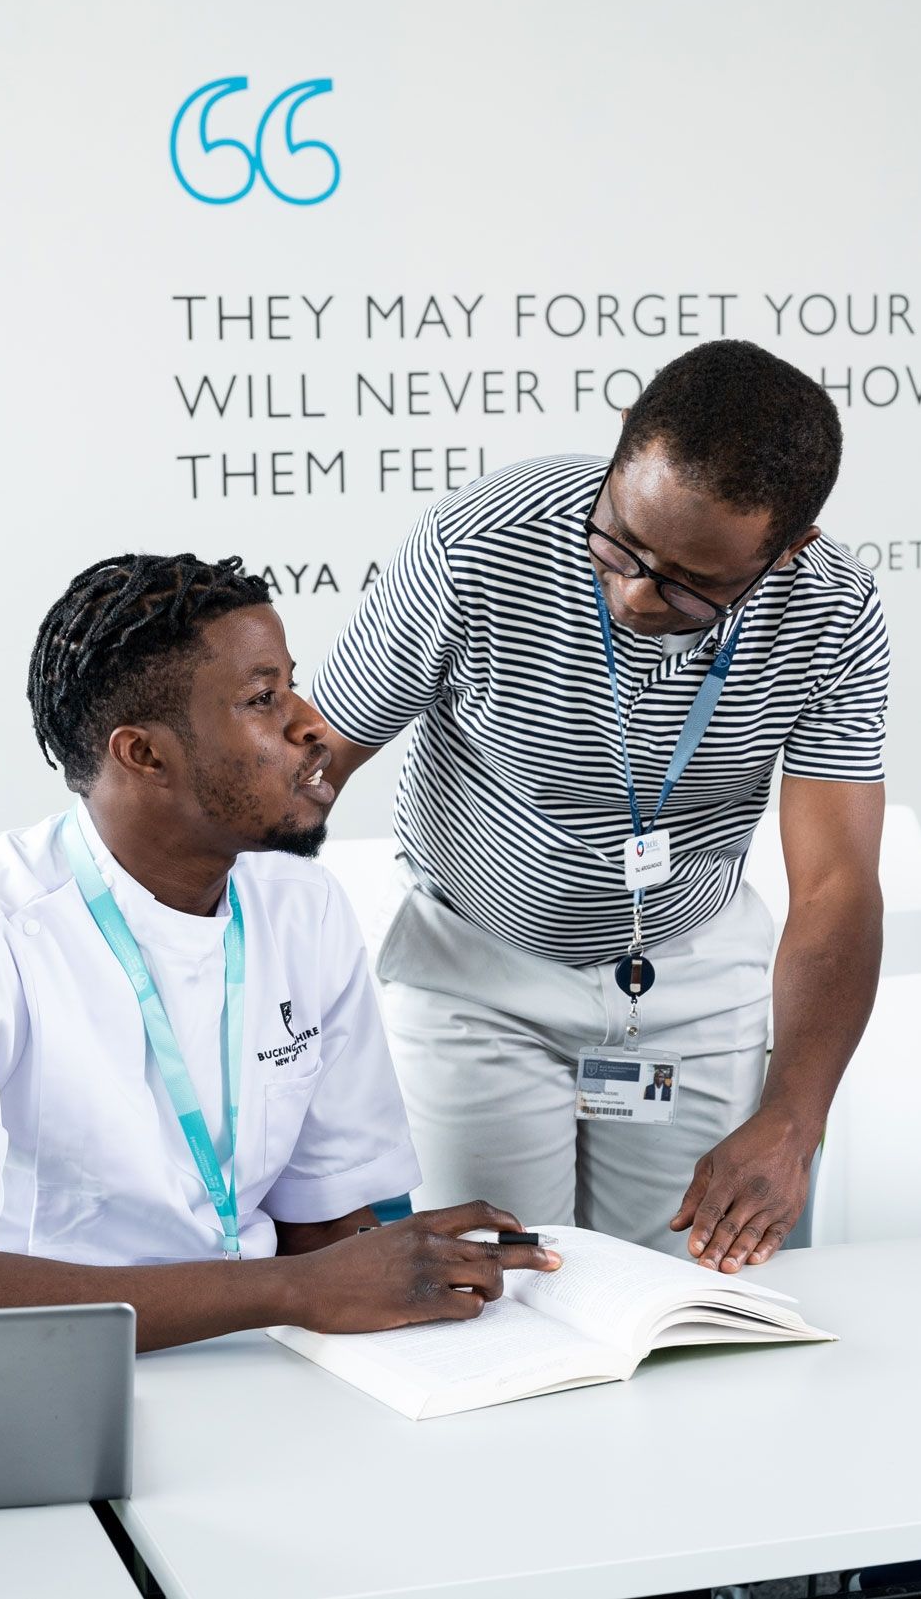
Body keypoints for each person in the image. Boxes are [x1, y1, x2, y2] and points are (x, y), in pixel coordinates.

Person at [0, 553, 556, 1351]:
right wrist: (292, 1288)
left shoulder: (300, 905)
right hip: (58, 1372)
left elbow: (326, 1230)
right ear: (143, 754)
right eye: (261, 699)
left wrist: (425, 1277)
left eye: (291, 685)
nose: (311, 724)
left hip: (267, 1354)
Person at [313, 340, 891, 1269]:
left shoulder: (832, 609)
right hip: (477, 970)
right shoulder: (479, 540)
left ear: (789, 548)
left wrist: (794, 1118)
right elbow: (314, 764)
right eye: (621, 540)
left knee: (679, 1293)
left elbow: (835, 885)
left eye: (692, 584)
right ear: (621, 441)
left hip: (686, 978)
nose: (633, 593)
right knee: (491, 1290)